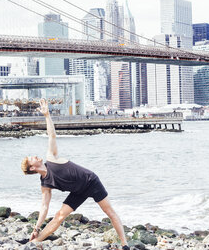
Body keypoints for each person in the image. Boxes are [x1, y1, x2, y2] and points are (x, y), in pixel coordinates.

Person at [21, 99, 130, 250]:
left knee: (109, 211)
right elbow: (44, 207)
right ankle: (34, 242)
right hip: (78, 191)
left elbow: (52, 135)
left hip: (91, 181)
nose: (34, 156)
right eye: (31, 159)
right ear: (32, 168)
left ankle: (125, 244)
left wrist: (47, 115)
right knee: (59, 216)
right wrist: (36, 227)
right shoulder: (45, 185)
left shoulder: (51, 158)